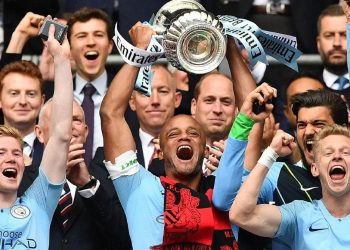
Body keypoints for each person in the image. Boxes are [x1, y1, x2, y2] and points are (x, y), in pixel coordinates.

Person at [100, 22, 237, 249]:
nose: (184, 137)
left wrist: (230, 47)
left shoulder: (225, 193)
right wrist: (140, 51)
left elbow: (250, 115)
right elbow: (110, 114)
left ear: (205, 150)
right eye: (173, 134)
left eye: (194, 133)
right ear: (160, 151)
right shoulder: (139, 188)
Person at [213, 87, 349, 250]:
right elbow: (224, 202)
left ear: (341, 128)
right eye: (301, 125)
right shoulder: (277, 174)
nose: (308, 132)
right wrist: (244, 123)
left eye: (318, 124)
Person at [18, 99, 131, 250]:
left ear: (86, 132)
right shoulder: (18, 179)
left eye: (76, 120)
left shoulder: (107, 181)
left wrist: (88, 186)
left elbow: (124, 240)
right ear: (39, 133)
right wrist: (50, 181)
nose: (68, 127)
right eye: (59, 119)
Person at [0, 18, 72, 249]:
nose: (11, 157)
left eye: (17, 153)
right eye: (0, 152)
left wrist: (62, 60)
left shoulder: (39, 201)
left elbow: (60, 133)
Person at [230, 123, 350, 249]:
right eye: (328, 153)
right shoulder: (299, 214)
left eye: (346, 152)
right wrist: (271, 153)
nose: (337, 156)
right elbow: (241, 215)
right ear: (315, 169)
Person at [67, 7, 114, 165]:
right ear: (70, 48)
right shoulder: (52, 93)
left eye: (98, 35)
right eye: (81, 36)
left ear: (109, 46)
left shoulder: (130, 94)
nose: (91, 42)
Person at [0, 60, 45, 166]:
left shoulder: (54, 148)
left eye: (31, 94)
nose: (23, 102)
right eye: (14, 93)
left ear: (42, 101)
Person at [317, 4, 350, 103]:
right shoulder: (304, 88)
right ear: (318, 43)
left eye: (345, 35)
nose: (337, 43)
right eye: (329, 35)